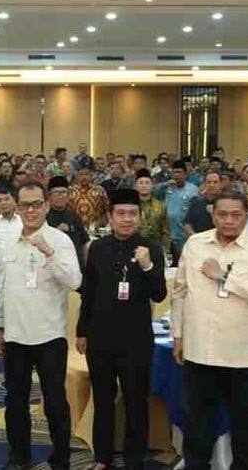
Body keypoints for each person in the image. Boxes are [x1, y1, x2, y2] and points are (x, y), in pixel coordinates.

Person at [171, 191, 248, 470]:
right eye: (222, 214)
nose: (229, 220)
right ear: (212, 214)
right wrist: (178, 335)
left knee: (245, 425)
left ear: (246, 216)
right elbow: (180, 291)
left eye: (235, 215)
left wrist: (225, 278)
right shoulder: (195, 244)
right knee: (197, 423)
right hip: (200, 349)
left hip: (243, 355)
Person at [0, 181, 82, 470]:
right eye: (25, 205)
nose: (30, 210)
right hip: (15, 336)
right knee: (15, 402)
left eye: (36, 204)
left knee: (55, 402)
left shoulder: (59, 240)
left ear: (46, 205)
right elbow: (2, 288)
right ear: (17, 207)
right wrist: (0, 327)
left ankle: (61, 457)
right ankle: (19, 456)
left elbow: (75, 281)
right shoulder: (8, 242)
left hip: (49, 335)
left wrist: (49, 252)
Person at [77, 188, 166, 470]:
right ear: (110, 216)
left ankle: (134, 459)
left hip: (136, 340)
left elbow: (159, 294)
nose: (127, 219)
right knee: (103, 400)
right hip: (100, 338)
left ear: (140, 217)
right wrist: (82, 330)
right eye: (121, 213)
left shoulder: (151, 249)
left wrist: (147, 266)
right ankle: (102, 457)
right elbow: (89, 292)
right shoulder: (98, 248)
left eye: (132, 214)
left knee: (135, 401)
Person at [154, 161, 198, 264]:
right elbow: (151, 192)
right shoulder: (166, 188)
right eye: (174, 173)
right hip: (167, 234)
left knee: (183, 263)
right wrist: (165, 184)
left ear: (185, 174)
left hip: (183, 234)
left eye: (179, 172)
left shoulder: (193, 190)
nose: (176, 175)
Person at [46, 176, 89, 270]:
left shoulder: (75, 216)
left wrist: (86, 266)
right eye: (56, 193)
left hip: (76, 267)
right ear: (49, 196)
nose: (60, 196)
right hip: (53, 267)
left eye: (63, 192)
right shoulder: (44, 218)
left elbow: (84, 243)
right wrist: (56, 232)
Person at [135, 169, 170, 252]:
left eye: (147, 183)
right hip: (134, 246)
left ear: (152, 186)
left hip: (156, 246)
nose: (144, 185)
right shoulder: (131, 206)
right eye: (140, 183)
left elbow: (165, 231)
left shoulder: (161, 206)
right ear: (135, 186)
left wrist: (166, 250)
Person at [183, 170, 220, 236]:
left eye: (215, 182)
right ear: (204, 184)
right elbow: (187, 223)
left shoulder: (226, 203)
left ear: (220, 184)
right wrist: (194, 236)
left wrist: (213, 214)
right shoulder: (196, 202)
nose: (212, 185)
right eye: (208, 182)